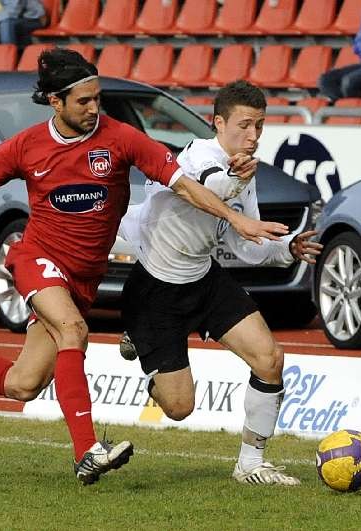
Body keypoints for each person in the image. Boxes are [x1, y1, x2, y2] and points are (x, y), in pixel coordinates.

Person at [0, 49, 288, 485]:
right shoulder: (27, 146)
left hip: (83, 277)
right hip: (37, 258)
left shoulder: (121, 138)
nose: (95, 108)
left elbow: (183, 185)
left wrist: (235, 217)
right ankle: (87, 451)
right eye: (84, 101)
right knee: (74, 331)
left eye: (97, 98)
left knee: (24, 383)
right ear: (55, 102)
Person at [117, 81, 323, 486]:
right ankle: (142, 341)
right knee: (178, 408)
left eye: (260, 127)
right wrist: (236, 185)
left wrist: (286, 248)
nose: (253, 136)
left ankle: (251, 464)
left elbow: (241, 240)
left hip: (204, 277)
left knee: (270, 359)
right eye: (245, 125)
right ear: (218, 122)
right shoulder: (196, 157)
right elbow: (209, 187)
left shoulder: (244, 171)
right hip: (156, 288)